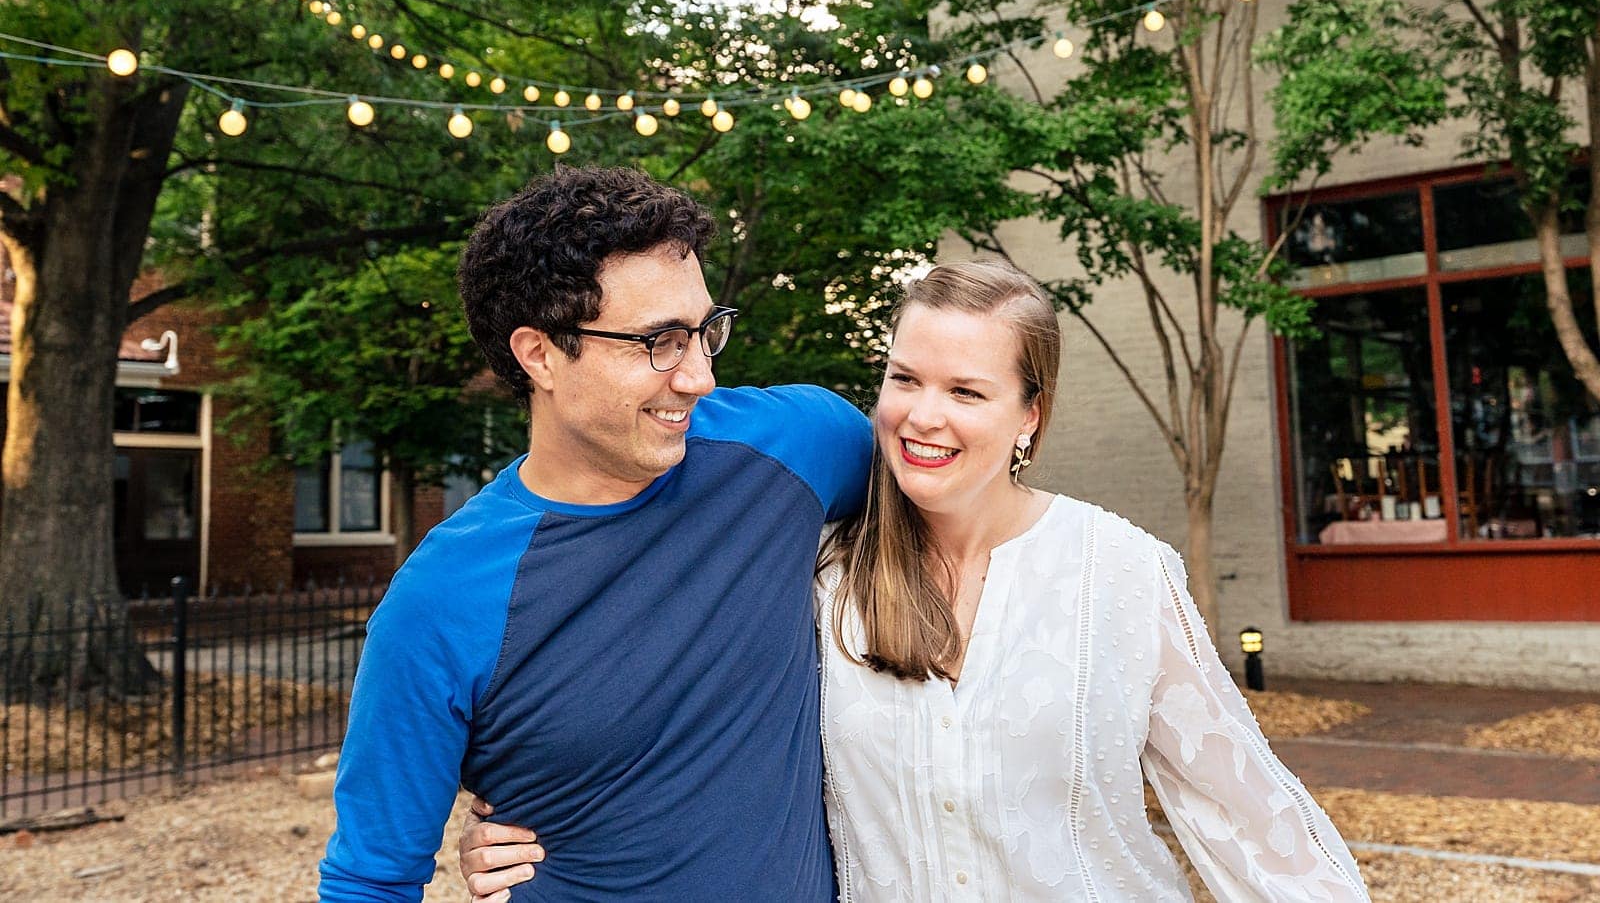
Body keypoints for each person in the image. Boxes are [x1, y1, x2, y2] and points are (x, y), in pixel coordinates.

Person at [461, 260, 1369, 902]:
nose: (922, 416)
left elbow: (1247, 817)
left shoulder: (1119, 573)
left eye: (967, 392)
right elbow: (671, 722)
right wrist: (540, 827)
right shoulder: (819, 576)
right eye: (903, 378)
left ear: (1030, 414)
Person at [318, 166, 872, 902]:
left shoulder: (795, 446)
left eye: (706, 331)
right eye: (660, 342)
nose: (700, 375)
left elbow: (957, 521)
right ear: (539, 353)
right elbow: (370, 880)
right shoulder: (441, 599)